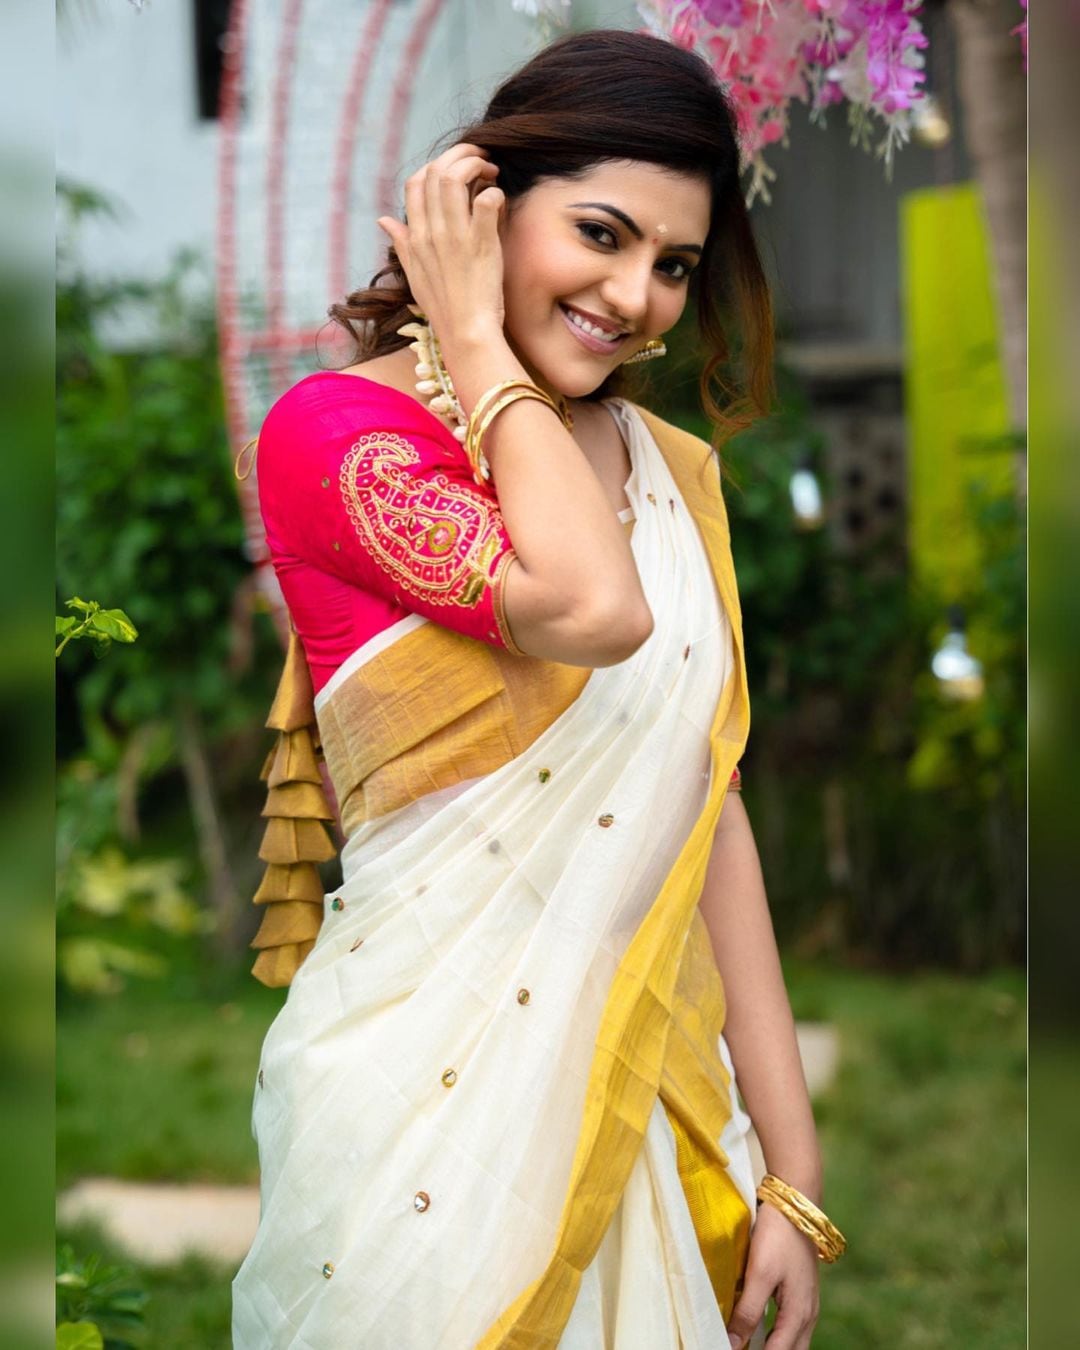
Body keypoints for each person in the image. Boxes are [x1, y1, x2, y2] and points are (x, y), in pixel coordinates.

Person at [232, 28, 844, 1350]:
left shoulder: (673, 472)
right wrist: (468, 332)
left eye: (673, 265)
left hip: (656, 1094)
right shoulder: (340, 436)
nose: (635, 297)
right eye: (601, 235)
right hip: (423, 1122)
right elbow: (592, 607)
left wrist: (792, 1173)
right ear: (483, 207)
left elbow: (708, 809)